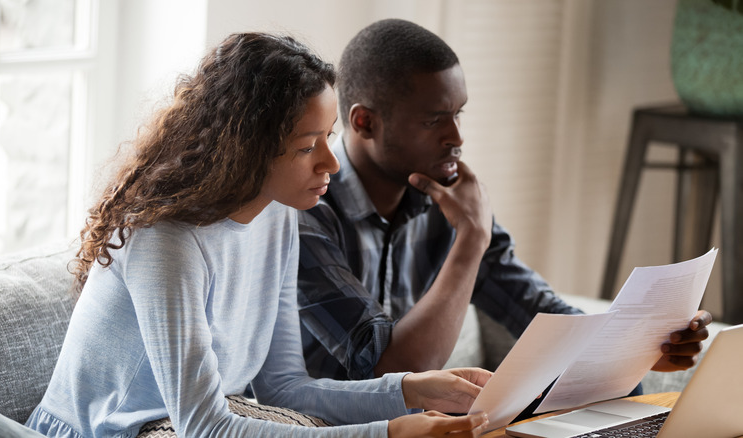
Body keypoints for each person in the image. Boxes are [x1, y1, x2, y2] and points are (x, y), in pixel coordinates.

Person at [25, 32, 494, 438]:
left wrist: (416, 387)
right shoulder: (165, 240)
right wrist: (389, 431)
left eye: (328, 139)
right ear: (246, 150)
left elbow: (284, 388)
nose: (330, 164)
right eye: (307, 147)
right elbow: (204, 427)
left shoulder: (278, 216)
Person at [296, 18, 711, 383]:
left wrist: (642, 345)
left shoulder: (445, 199)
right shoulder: (307, 214)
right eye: (434, 120)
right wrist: (471, 238)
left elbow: (535, 310)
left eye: (458, 115)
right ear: (364, 122)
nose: (456, 138)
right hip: (324, 425)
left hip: (428, 423)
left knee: (617, 393)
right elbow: (392, 370)